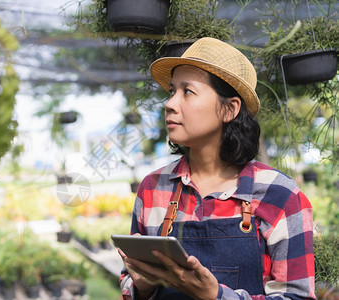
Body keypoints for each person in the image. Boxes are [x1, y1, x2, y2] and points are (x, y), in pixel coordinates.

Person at [118, 37, 315, 300]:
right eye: (171, 91)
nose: (170, 103)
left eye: (187, 91)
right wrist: (141, 286)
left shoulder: (279, 195)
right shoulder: (154, 188)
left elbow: (298, 297)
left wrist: (216, 296)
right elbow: (130, 283)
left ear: (229, 109)